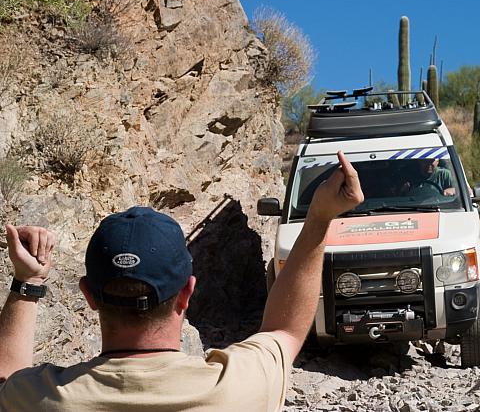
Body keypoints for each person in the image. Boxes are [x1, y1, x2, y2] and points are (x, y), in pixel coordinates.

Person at [0, 151, 364, 411]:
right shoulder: (236, 389)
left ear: (88, 295)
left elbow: (6, 378)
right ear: (187, 292)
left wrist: (28, 283)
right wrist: (320, 217)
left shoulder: (41, 399)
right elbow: (286, 330)